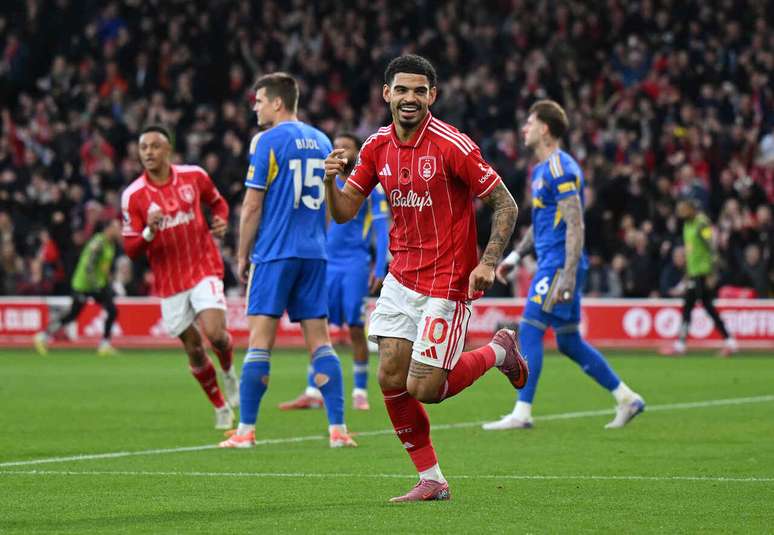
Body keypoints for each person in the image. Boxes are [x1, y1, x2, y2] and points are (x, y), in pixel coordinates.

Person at [324, 55, 526, 502]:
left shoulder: (454, 145)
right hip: (401, 278)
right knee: (390, 376)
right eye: (401, 90)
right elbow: (344, 213)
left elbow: (506, 203)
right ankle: (431, 479)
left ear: (432, 95)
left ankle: (499, 350)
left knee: (426, 389)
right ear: (387, 94)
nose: (409, 98)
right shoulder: (375, 146)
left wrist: (488, 262)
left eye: (419, 90)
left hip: (447, 282)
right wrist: (329, 183)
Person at [486, 100, 645, 431]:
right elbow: (541, 224)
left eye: (530, 123)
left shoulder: (562, 168)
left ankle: (522, 412)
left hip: (559, 265)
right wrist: (515, 257)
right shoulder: (540, 170)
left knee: (530, 327)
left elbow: (575, 223)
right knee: (568, 342)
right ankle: (627, 398)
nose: (524, 128)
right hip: (551, 261)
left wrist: (568, 275)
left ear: (545, 129)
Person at [219, 72, 357, 449]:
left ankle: (245, 431)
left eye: (260, 101)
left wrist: (242, 254)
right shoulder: (323, 140)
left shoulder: (267, 141)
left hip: (275, 252)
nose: (256, 108)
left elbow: (252, 206)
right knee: (321, 342)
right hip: (314, 252)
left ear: (278, 103)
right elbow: (329, 201)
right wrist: (317, 238)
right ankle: (338, 429)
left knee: (260, 342)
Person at [121, 125, 239, 429]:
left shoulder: (194, 176)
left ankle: (229, 372)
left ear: (168, 149)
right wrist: (149, 231)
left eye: (155, 146)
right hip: (170, 282)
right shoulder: (133, 196)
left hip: (203, 266)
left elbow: (218, 202)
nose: (148, 152)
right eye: (143, 147)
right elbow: (131, 248)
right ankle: (220, 406)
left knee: (215, 334)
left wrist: (221, 220)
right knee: (194, 349)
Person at [278, 132, 389, 412]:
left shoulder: (369, 187)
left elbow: (381, 229)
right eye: (336, 146)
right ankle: (313, 390)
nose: (340, 151)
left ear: (358, 152)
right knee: (318, 325)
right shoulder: (322, 183)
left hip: (354, 264)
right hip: (324, 263)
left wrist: (379, 267)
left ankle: (360, 391)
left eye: (346, 147)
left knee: (355, 328)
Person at [34, 219, 122, 356]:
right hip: (84, 285)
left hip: (97, 285)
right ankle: (43, 336)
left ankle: (104, 344)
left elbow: (103, 267)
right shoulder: (98, 243)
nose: (120, 231)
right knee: (72, 315)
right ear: (109, 229)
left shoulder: (110, 244)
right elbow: (89, 266)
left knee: (112, 310)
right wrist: (96, 285)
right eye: (117, 227)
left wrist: (106, 283)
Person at [666, 198, 737, 356]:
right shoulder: (687, 225)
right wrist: (687, 274)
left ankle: (681, 345)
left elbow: (712, 248)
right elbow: (692, 253)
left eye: (683, 209)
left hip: (703, 274)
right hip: (694, 273)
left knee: (693, 307)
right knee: (701, 307)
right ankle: (729, 341)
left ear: (692, 209)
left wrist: (713, 273)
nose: (680, 212)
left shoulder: (701, 224)